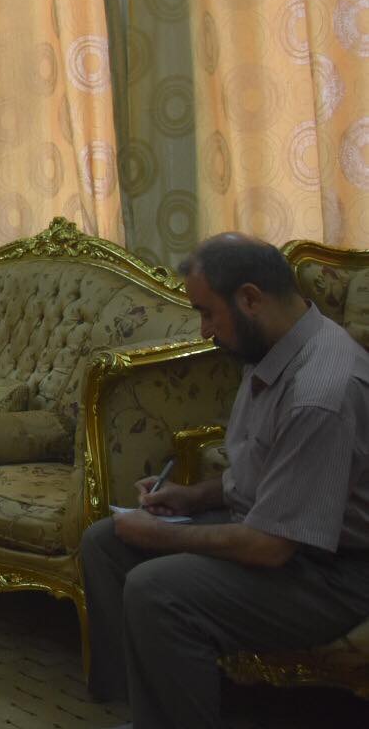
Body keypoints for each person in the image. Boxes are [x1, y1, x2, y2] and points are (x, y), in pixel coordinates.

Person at [80, 234, 369, 729]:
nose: (205, 330)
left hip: (334, 573)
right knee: (104, 543)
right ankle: (152, 712)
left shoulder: (321, 391)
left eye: (208, 313)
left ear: (250, 298)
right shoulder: (272, 351)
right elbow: (266, 473)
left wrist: (162, 536)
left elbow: (270, 547)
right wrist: (191, 496)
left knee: (156, 589)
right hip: (280, 536)